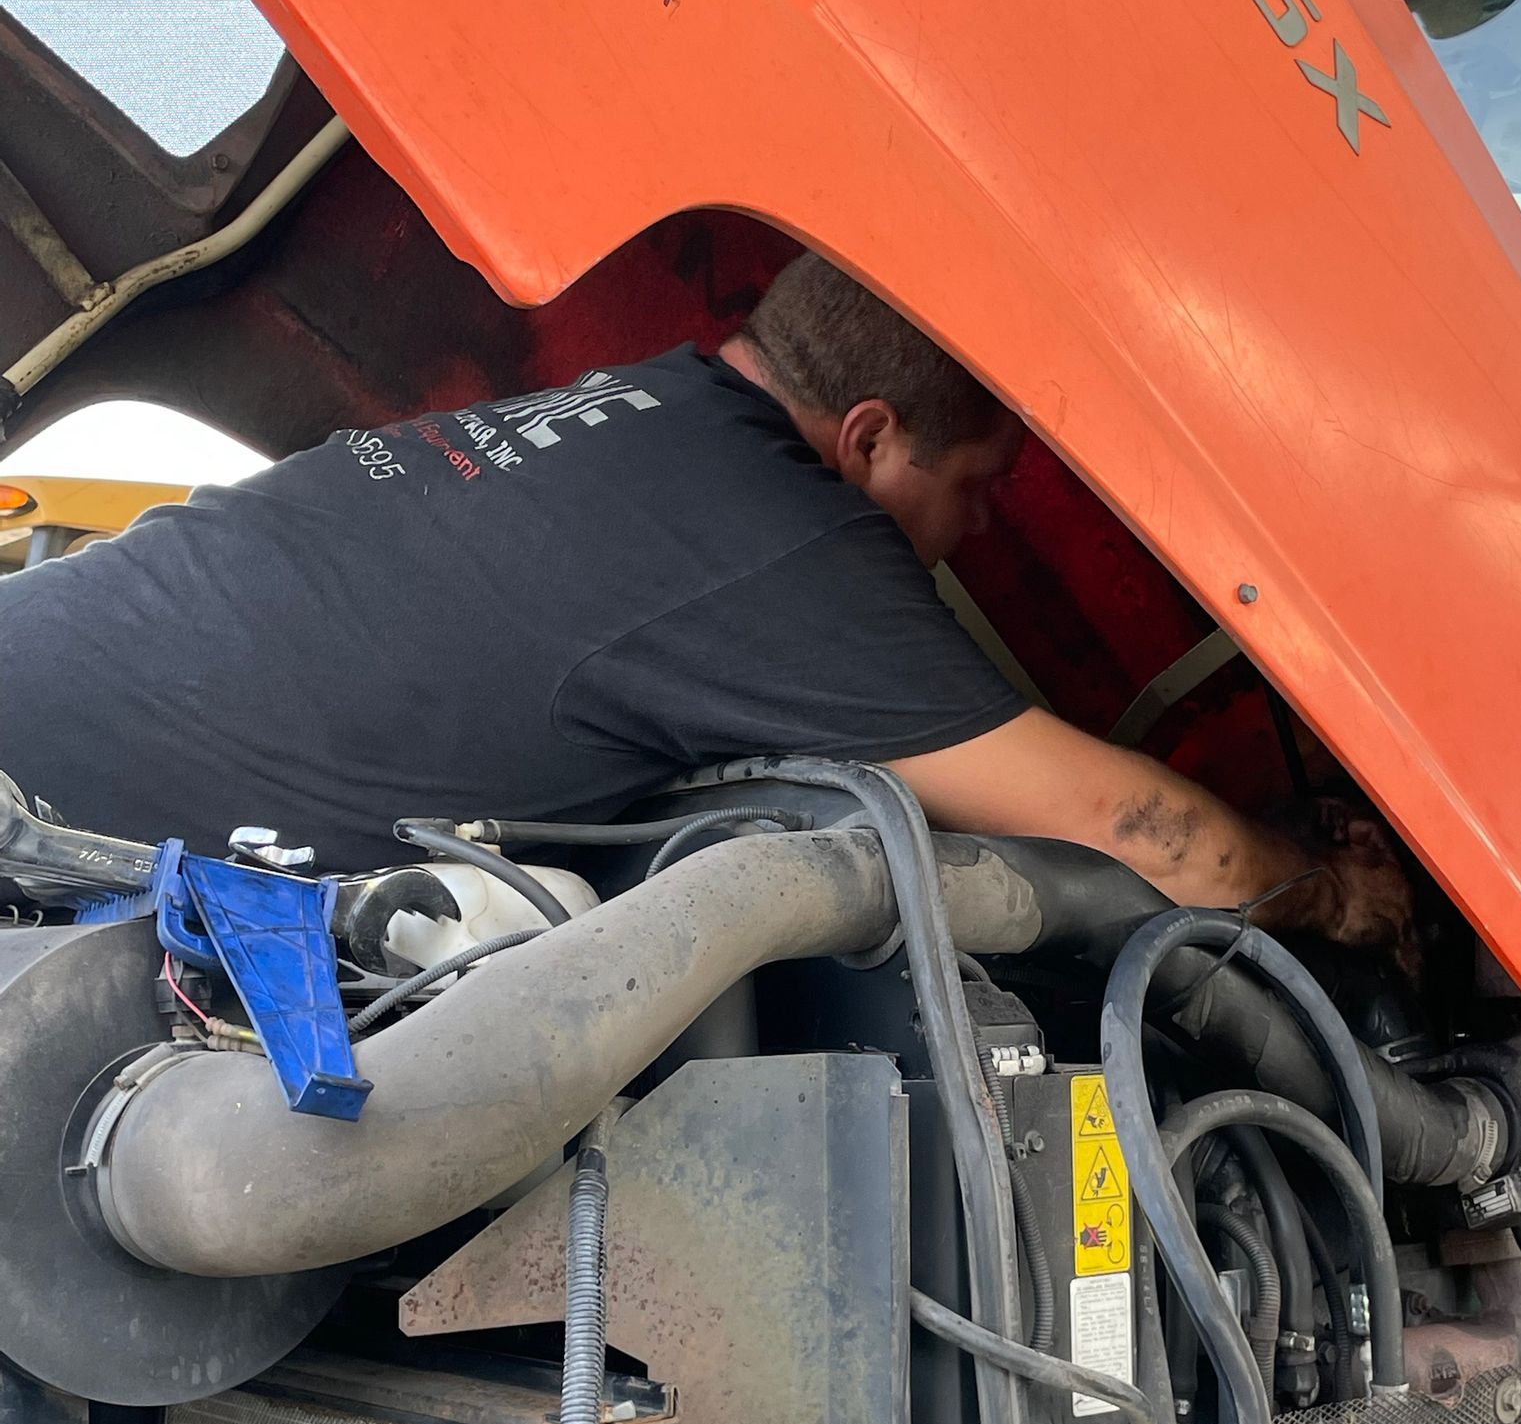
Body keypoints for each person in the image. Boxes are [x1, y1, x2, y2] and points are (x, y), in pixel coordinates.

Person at [0, 253, 1408, 950]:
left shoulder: (632, 417)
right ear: (864, 438)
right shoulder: (781, 544)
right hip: (45, 869)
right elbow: (1139, 832)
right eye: (975, 488)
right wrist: (1343, 894)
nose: (980, 533)